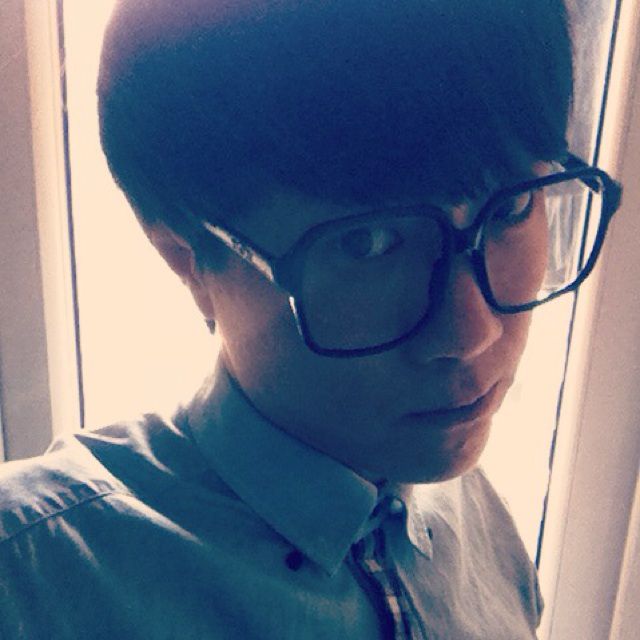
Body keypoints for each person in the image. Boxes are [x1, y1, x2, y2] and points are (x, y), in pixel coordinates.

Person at [0, 1, 622, 638]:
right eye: (368, 243)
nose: (472, 333)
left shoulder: (478, 521)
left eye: (511, 209)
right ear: (188, 257)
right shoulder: (33, 579)